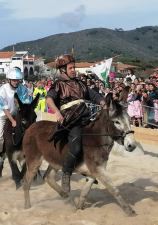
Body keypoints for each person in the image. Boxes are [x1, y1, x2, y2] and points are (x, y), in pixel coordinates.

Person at [45, 54, 106, 193]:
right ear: (63, 70)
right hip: (71, 120)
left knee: (96, 140)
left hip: (85, 117)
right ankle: (66, 174)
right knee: (76, 147)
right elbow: (49, 100)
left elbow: (94, 95)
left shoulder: (80, 83)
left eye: (74, 67)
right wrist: (57, 112)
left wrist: (104, 103)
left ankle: (91, 170)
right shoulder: (58, 84)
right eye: (71, 67)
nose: (74, 70)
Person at [0, 68, 29, 169]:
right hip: (2, 115)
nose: (16, 82)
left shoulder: (23, 89)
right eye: (14, 80)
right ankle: (0, 155)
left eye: (18, 80)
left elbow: (25, 105)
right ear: (9, 79)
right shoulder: (2, 90)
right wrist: (13, 121)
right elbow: (5, 109)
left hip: (18, 115)